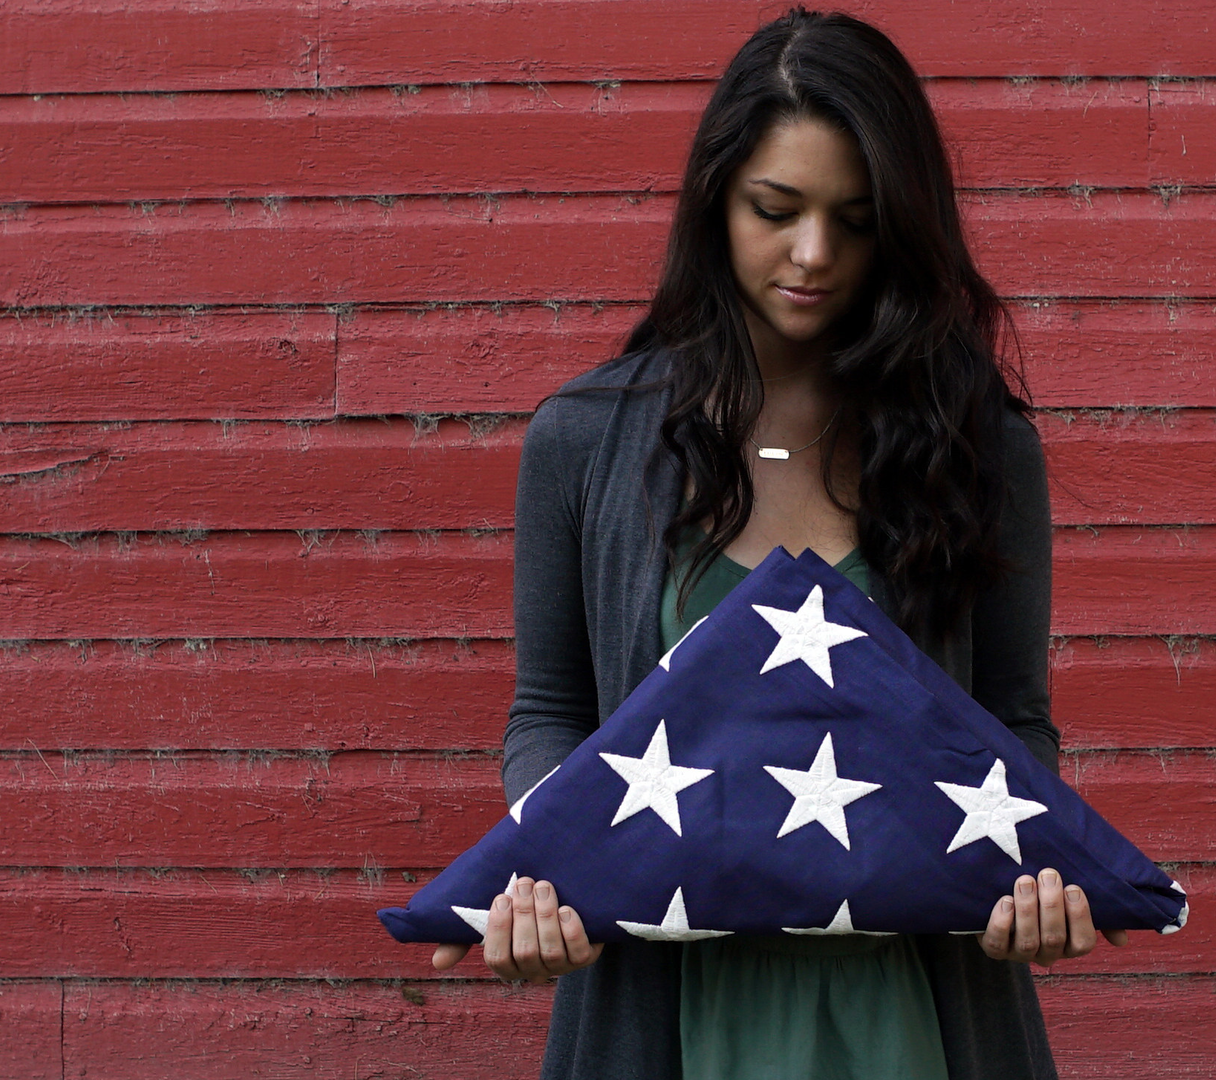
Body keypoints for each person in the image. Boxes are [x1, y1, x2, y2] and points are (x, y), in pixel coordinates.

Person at [430, 9, 1125, 1078]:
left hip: (917, 1021)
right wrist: (549, 869)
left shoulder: (978, 447)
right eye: (776, 209)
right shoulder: (582, 441)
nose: (813, 255)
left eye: (855, 219)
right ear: (714, 202)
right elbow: (548, 714)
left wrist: (1024, 873)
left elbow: (1014, 723)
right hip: (668, 1015)